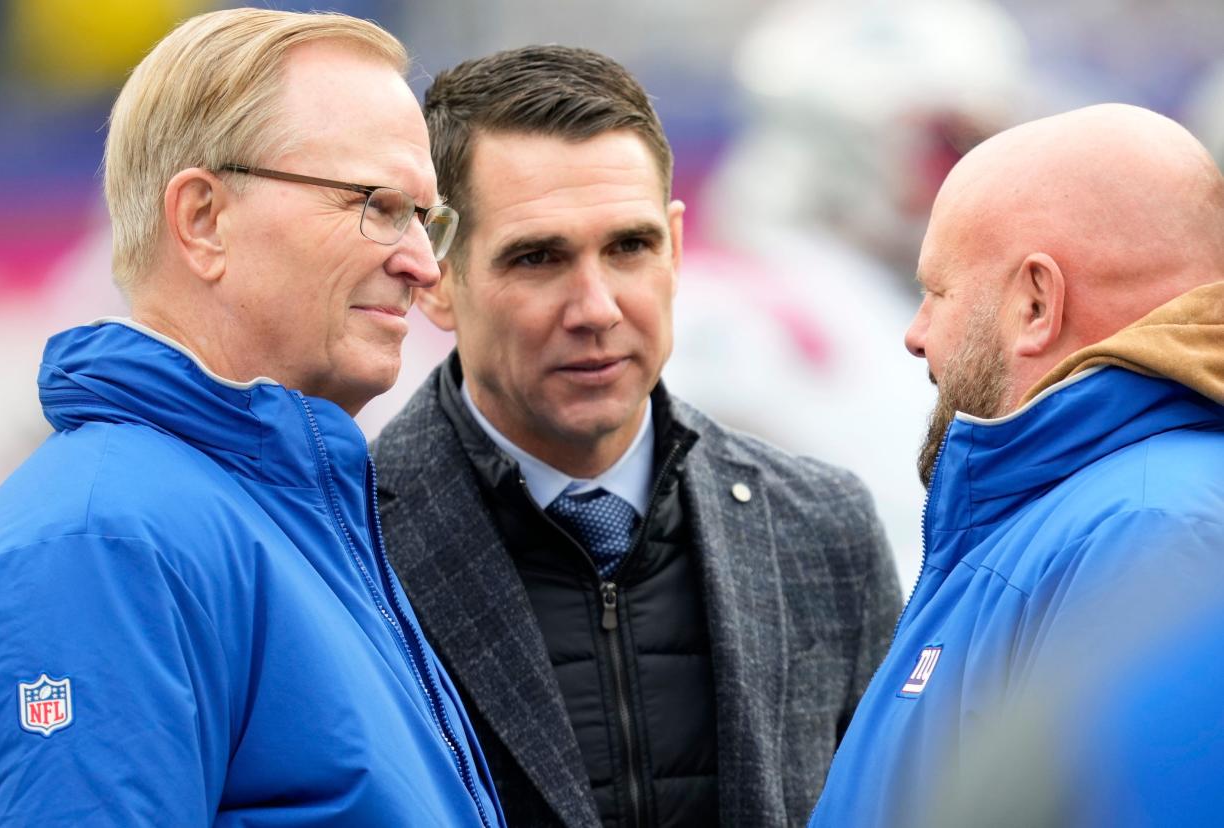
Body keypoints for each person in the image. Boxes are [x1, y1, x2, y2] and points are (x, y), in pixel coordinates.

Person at [0, 9, 504, 826]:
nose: (418, 263)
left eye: (425, 218)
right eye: (376, 204)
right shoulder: (105, 546)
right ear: (202, 219)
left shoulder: (283, 519)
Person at [370, 45, 903, 828]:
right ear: (438, 277)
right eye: (539, 258)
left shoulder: (822, 530)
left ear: (677, 249)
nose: (595, 307)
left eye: (629, 247)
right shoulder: (347, 544)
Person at [808, 103, 1224, 826]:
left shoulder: (1153, 536)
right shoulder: (1092, 519)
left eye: (936, 291)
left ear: (1036, 303)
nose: (916, 334)